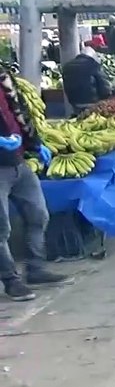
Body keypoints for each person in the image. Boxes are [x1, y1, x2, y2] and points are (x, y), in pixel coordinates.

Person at [1, 68, 67, 301]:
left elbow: (18, 112)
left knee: (38, 214)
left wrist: (35, 144)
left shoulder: (3, 75)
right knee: (1, 229)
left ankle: (35, 268)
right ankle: (11, 280)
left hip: (18, 162)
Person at [60, 44, 115, 113]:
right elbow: (104, 85)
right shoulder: (93, 65)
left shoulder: (67, 66)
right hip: (92, 102)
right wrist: (107, 97)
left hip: (74, 101)